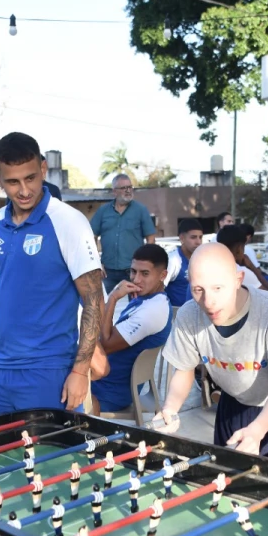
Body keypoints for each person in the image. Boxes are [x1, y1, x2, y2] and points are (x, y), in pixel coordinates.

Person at [0, 132, 104, 414]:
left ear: (43, 168)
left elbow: (93, 300)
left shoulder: (68, 221)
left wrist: (80, 371)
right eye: (13, 181)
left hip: (50, 370)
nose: (24, 190)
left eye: (30, 178)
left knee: (53, 458)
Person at [153, 242, 268, 462]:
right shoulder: (189, 315)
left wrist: (257, 430)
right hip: (232, 403)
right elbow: (184, 369)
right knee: (227, 484)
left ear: (238, 280)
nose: (208, 302)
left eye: (218, 288)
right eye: (198, 289)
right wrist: (170, 408)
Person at [91, 244, 173, 414]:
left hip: (108, 391)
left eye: (145, 274)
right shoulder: (146, 299)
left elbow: (105, 344)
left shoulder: (152, 310)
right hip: (103, 381)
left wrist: (113, 297)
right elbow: (109, 335)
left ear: (162, 275)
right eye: (133, 271)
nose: (136, 280)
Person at [89, 173, 156, 293]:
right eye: (124, 188)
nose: (128, 190)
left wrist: (145, 265)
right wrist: (96, 262)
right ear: (114, 191)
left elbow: (150, 238)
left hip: (133, 271)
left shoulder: (140, 210)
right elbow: (91, 236)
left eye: (130, 187)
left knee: (135, 306)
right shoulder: (103, 211)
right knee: (101, 304)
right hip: (107, 271)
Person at [216, 224, 268, 291]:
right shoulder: (242, 273)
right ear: (239, 249)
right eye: (243, 248)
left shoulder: (211, 266)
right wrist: (253, 268)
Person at [165, 218, 204, 307]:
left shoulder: (203, 259)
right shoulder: (173, 260)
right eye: (193, 237)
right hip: (176, 315)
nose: (198, 242)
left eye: (200, 237)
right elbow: (159, 290)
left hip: (197, 314)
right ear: (182, 238)